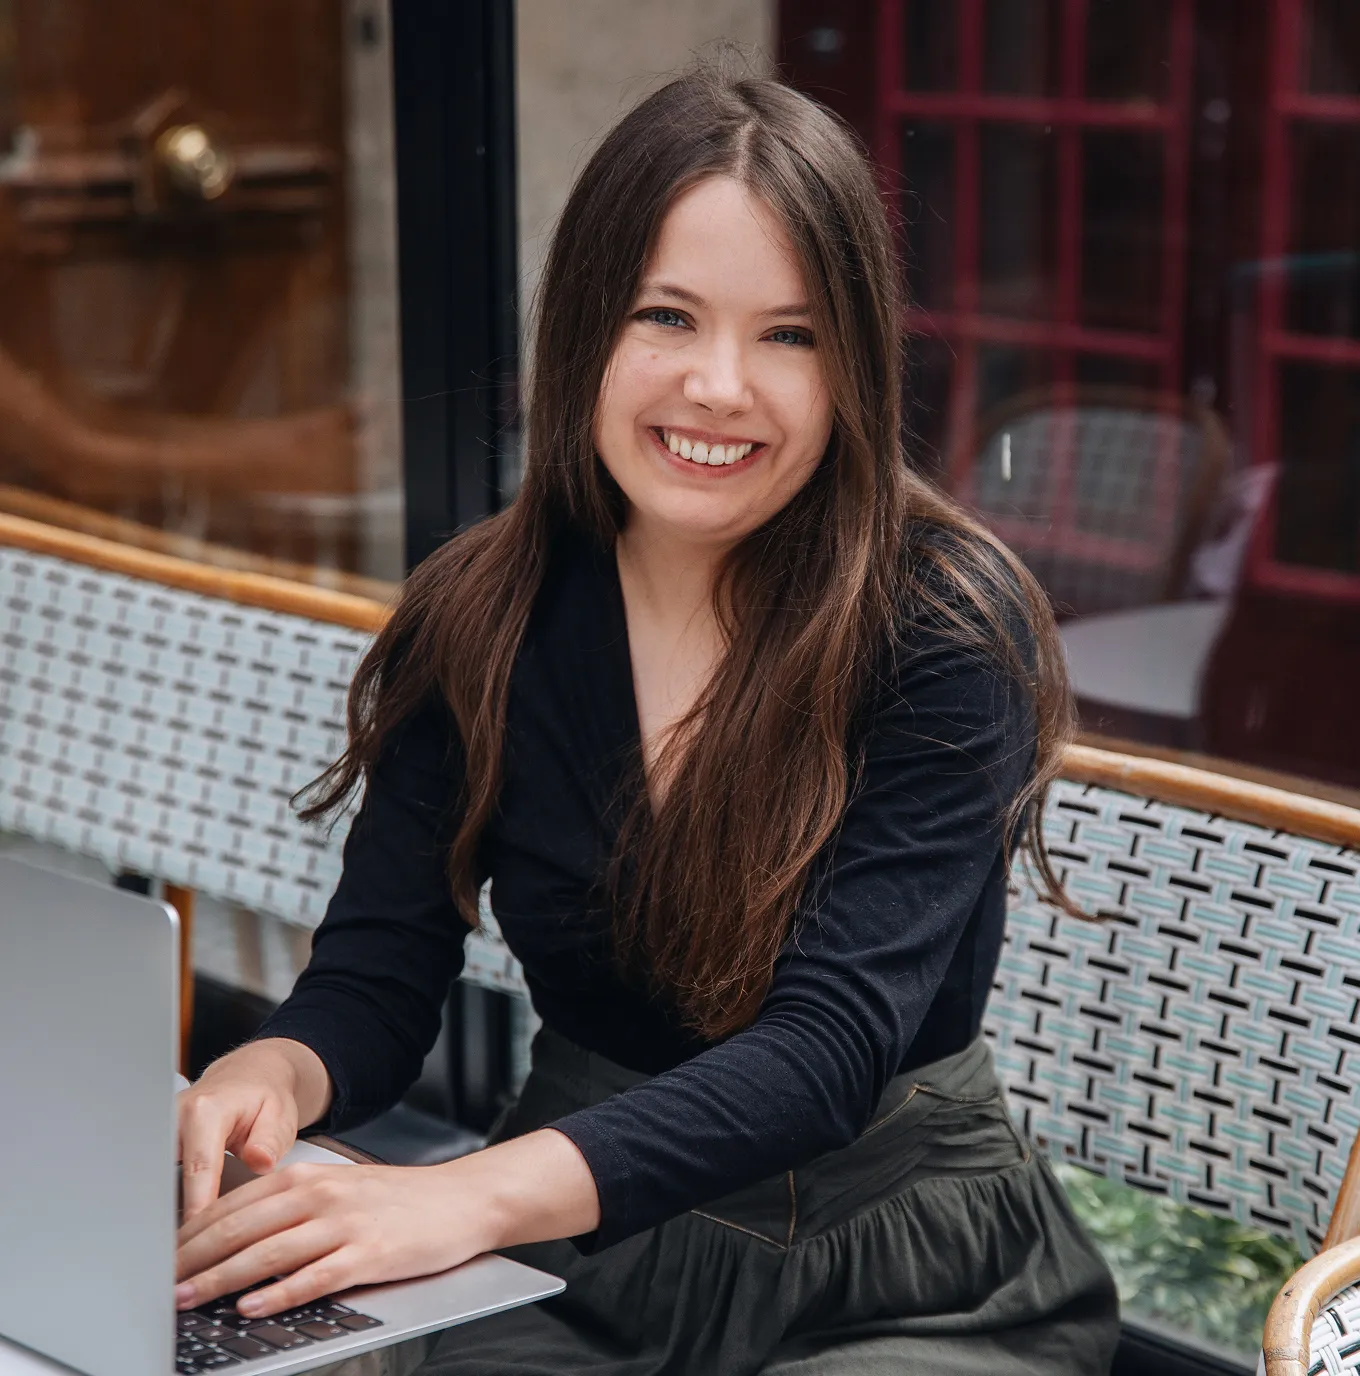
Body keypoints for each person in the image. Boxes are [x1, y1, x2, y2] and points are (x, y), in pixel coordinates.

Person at [173, 65, 1120, 1376]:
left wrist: (456, 1195)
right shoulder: (486, 612)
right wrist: (275, 1070)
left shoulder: (944, 630)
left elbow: (824, 1054)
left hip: (898, 1268)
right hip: (581, 1262)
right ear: (583, 333)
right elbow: (381, 978)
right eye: (667, 316)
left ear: (856, 365)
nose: (721, 385)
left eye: (790, 334)